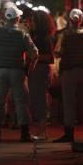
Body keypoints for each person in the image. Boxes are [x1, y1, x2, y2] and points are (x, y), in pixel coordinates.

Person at [0, 5, 38, 142]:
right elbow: (35, 53)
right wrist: (29, 69)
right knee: (21, 102)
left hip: (0, 71)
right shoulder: (23, 34)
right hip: (17, 71)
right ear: (17, 18)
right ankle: (24, 133)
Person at [53, 8, 83, 143]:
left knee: (69, 104)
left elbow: (58, 52)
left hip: (69, 72)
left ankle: (69, 134)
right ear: (81, 19)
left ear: (70, 20)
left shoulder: (65, 35)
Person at [28, 10, 55, 141]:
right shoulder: (38, 36)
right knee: (37, 99)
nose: (31, 23)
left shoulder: (44, 38)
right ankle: (41, 130)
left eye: (33, 21)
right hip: (37, 70)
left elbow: (49, 56)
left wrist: (34, 56)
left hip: (40, 70)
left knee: (40, 100)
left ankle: (42, 131)